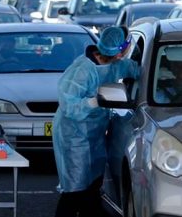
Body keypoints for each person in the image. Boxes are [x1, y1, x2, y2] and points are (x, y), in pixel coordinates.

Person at [52, 26, 140, 217]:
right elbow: (69, 106)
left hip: (94, 134)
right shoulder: (82, 70)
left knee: (92, 188)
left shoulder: (115, 64)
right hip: (73, 135)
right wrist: (94, 101)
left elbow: (135, 70)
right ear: (119, 48)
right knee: (74, 191)